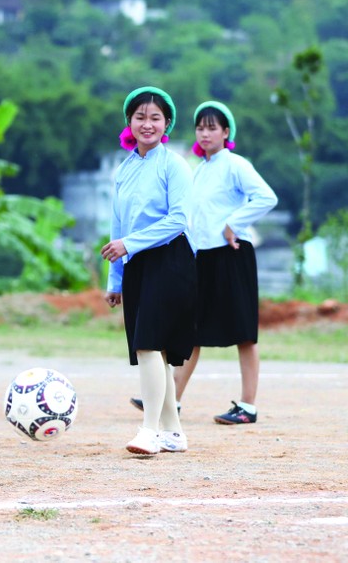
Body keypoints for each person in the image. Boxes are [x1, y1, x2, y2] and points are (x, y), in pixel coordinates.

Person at [102, 86, 196, 455]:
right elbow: (118, 226)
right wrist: (116, 279)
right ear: (129, 121)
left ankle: (150, 430)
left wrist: (131, 244)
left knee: (149, 344)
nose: (147, 124)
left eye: (155, 117)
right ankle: (173, 431)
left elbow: (179, 220)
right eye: (140, 117)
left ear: (166, 123)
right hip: (137, 264)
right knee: (152, 349)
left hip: (171, 261)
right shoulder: (124, 169)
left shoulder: (174, 164)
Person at [176, 101, 277, 424]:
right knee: (190, 332)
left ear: (225, 132)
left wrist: (233, 222)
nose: (205, 133)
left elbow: (266, 197)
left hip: (232, 254)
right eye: (200, 127)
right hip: (202, 257)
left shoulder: (235, 164)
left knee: (244, 332)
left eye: (211, 127)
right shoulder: (199, 169)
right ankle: (170, 399)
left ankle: (248, 407)